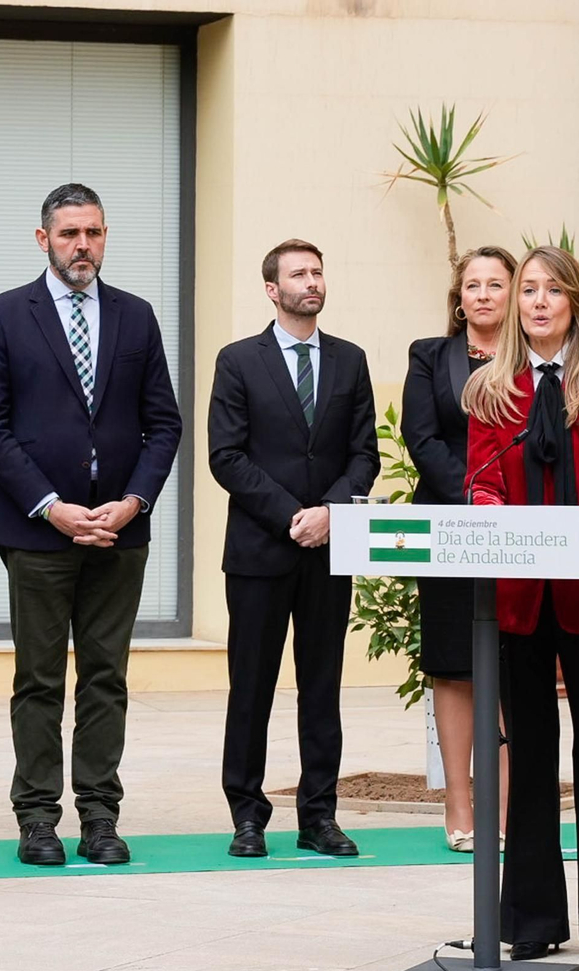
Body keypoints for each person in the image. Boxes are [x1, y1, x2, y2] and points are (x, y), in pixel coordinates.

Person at [0, 183, 182, 867]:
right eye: (68, 234)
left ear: (105, 236)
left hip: (118, 531)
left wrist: (135, 500)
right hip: (37, 533)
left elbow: (163, 423)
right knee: (38, 679)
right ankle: (36, 818)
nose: (82, 245)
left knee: (105, 677)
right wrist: (50, 505)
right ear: (43, 240)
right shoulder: (4, 316)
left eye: (92, 233)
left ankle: (99, 816)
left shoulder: (136, 317)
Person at [463, 244, 579, 966]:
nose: (538, 301)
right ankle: (533, 918)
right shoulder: (491, 389)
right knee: (530, 753)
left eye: (552, 290)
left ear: (575, 299)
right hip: (517, 598)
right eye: (528, 290)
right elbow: (482, 480)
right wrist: (489, 512)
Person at [208, 239, 379, 860]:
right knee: (250, 687)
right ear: (271, 289)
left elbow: (366, 453)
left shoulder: (349, 360)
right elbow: (225, 455)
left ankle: (319, 816)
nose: (311, 282)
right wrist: (292, 516)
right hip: (260, 550)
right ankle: (248, 816)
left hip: (330, 550)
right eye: (298, 274)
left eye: (317, 272)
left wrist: (332, 512)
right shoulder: (238, 361)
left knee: (322, 686)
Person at [400, 246, 517, 854]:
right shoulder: (430, 356)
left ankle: (503, 807)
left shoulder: (538, 358)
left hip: (519, 531)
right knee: (453, 664)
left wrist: (501, 508)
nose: (483, 294)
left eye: (495, 284)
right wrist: (474, 499)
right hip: (448, 526)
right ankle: (459, 803)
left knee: (511, 662)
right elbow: (419, 435)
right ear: (459, 296)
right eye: (472, 284)